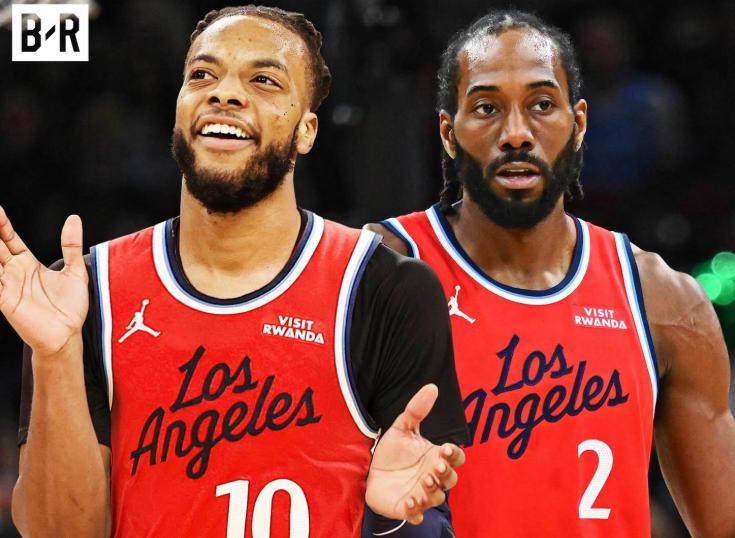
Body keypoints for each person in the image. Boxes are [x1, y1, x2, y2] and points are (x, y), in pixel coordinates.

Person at [5, 6, 468, 537]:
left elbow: (422, 515)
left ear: (306, 131)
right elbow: (59, 531)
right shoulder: (85, 293)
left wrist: (386, 519)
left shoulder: (385, 289)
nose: (224, 93)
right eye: (202, 75)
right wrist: (54, 355)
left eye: (264, 80)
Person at [369, 9, 735, 537]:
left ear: (578, 124)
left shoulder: (663, 301)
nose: (516, 134)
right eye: (487, 108)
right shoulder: (375, 271)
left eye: (542, 104)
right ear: (448, 133)